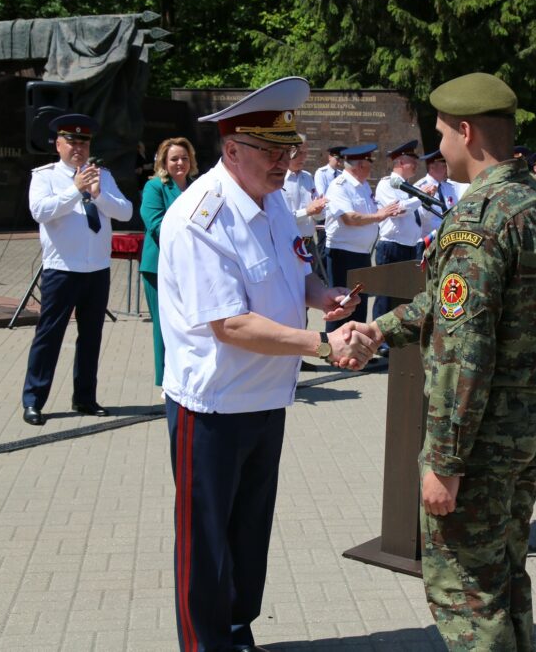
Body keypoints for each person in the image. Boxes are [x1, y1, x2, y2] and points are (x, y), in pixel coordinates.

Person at [157, 77, 376, 652]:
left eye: (288, 149)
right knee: (205, 541)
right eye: (272, 151)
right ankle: (203, 644)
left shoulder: (274, 202)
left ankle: (237, 630)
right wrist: (324, 345)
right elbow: (229, 325)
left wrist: (324, 297)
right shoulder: (199, 218)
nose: (285, 162)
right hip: (213, 405)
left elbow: (294, 271)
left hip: (267, 398)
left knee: (249, 531)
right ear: (232, 150)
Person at [360, 72, 536, 651]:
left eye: (442, 133)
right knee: (505, 573)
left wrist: (446, 462)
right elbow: (452, 303)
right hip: (531, 419)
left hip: (482, 437)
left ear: (467, 130)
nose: (440, 146)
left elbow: (464, 347)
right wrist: (380, 328)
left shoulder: (479, 217)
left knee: (468, 593)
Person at [21, 113, 134, 426]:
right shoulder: (44, 176)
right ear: (58, 144)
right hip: (61, 269)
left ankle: (84, 398)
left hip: (96, 269)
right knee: (49, 336)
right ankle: (34, 400)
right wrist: (75, 189)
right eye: (71, 141)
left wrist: (98, 193)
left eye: (83, 142)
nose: (78, 147)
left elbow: (125, 212)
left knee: (91, 337)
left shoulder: (103, 176)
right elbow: (39, 211)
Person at [140, 137, 199, 390]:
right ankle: (165, 379)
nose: (180, 163)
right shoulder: (155, 187)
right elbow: (155, 224)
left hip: (193, 266)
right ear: (164, 161)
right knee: (164, 324)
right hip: (160, 266)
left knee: (189, 323)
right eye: (174, 158)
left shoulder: (198, 186)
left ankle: (188, 373)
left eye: (184, 158)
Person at [323, 143, 401, 331]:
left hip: (362, 254)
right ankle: (334, 351)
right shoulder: (339, 186)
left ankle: (354, 349)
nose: (371, 167)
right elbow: (349, 218)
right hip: (343, 255)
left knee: (358, 304)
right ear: (360, 166)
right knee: (341, 304)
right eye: (369, 163)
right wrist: (379, 216)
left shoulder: (363, 186)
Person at [373, 140, 423, 320]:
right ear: (401, 162)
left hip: (409, 247)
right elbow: (396, 210)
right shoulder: (387, 184)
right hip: (391, 247)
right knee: (386, 296)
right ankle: (382, 341)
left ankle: (399, 339)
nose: (416, 164)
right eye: (412, 160)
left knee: (404, 297)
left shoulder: (408, 187)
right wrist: (421, 197)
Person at [282, 135, 328, 281]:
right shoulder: (279, 179)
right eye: (299, 153)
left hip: (309, 244)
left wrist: (319, 210)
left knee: (308, 292)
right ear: (289, 152)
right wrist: (308, 211)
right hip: (289, 246)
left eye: (305, 153)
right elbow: (281, 218)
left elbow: (317, 216)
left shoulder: (307, 177)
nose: (303, 158)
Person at [414, 149, 458, 258]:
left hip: (449, 240)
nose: (446, 169)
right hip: (429, 243)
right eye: (444, 166)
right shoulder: (419, 187)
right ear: (432, 167)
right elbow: (422, 217)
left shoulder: (449, 187)